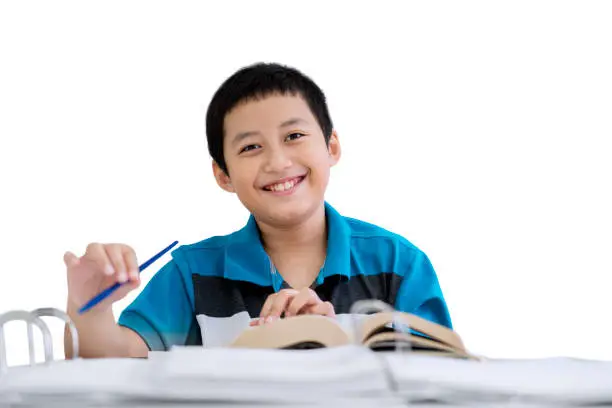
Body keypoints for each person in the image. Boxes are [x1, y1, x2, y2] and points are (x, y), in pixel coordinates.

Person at [64, 62, 453, 358]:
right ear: (223, 174)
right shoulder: (191, 273)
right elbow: (112, 360)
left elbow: (441, 376)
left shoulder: (399, 264)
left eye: (294, 136)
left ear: (331, 147)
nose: (279, 161)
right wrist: (89, 308)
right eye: (251, 147)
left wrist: (335, 342)